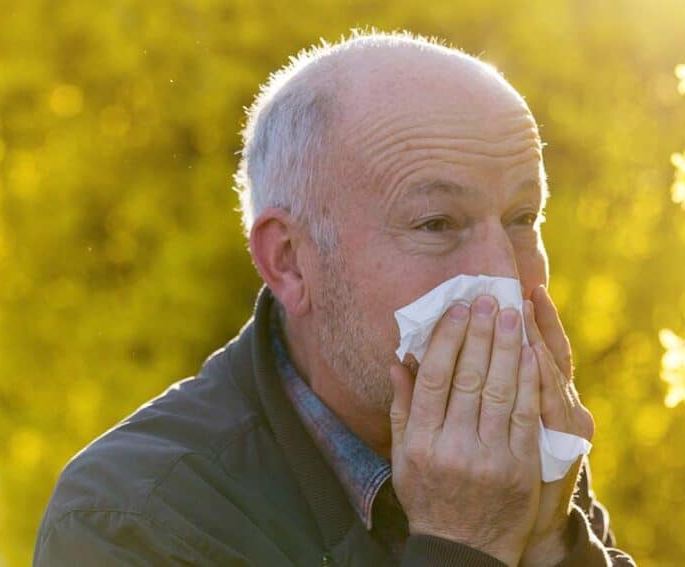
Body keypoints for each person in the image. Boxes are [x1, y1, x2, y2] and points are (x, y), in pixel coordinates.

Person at [34, 32, 634, 566]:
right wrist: (463, 545)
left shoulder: (503, 445)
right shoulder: (131, 521)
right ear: (290, 261)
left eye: (522, 217)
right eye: (435, 223)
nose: (503, 278)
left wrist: (555, 546)